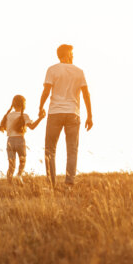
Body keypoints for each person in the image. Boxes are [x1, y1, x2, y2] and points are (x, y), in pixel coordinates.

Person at [38, 44, 93, 188]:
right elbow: (86, 94)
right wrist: (89, 116)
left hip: (55, 113)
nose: (73, 56)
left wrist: (40, 107)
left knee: (50, 149)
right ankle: (69, 184)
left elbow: (46, 91)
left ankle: (51, 184)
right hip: (73, 114)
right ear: (65, 54)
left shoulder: (52, 70)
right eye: (71, 54)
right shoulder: (79, 72)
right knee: (72, 150)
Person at [0, 95, 44, 183]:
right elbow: (32, 127)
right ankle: (19, 175)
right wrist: (41, 118)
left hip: (10, 141)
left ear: (13, 105)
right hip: (20, 141)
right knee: (22, 161)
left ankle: (9, 183)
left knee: (11, 165)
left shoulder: (8, 115)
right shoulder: (24, 116)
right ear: (23, 105)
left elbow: (2, 128)